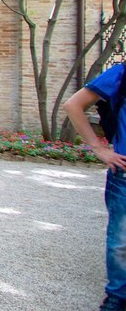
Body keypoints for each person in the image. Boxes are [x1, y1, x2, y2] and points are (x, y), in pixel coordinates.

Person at [65, 63, 126, 311]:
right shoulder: (122, 73)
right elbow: (73, 105)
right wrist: (99, 148)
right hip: (124, 173)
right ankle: (117, 299)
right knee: (121, 242)